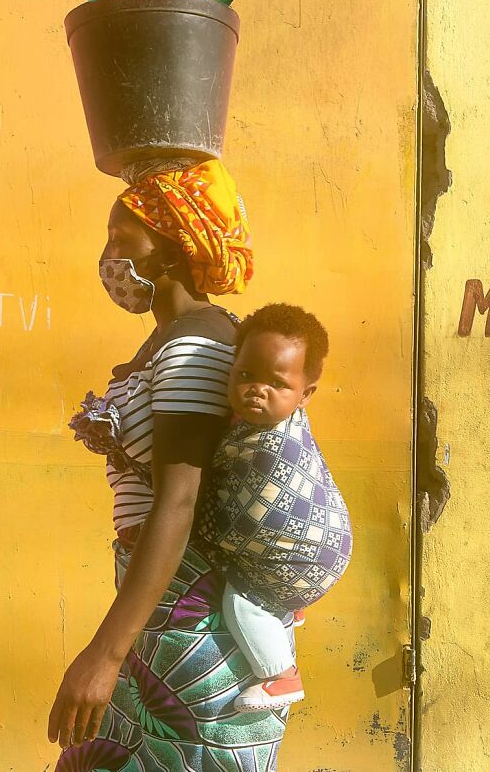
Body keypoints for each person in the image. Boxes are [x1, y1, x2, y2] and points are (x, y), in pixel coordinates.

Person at [49, 161, 293, 771]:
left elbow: (177, 504)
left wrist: (103, 657)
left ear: (171, 244)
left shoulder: (195, 345)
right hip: (162, 618)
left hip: (190, 625)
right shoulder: (173, 339)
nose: (107, 255)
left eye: (120, 237)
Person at [195, 303, 353, 712]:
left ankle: (281, 677)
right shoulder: (287, 420)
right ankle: (288, 603)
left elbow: (243, 519)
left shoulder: (267, 448)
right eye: (245, 375)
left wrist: (205, 536)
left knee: (240, 602)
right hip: (329, 548)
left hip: (305, 562)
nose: (256, 390)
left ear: (306, 395)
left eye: (276, 384)